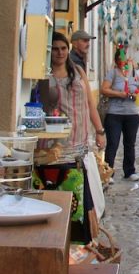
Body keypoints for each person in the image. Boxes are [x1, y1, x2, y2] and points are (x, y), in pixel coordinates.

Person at [33, 31, 106, 243]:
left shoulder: (78, 72)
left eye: (63, 48)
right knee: (66, 200)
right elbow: (44, 109)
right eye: (55, 49)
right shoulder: (44, 76)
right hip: (57, 149)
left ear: (68, 49)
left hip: (81, 146)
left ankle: (83, 243)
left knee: (87, 202)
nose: (60, 53)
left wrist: (99, 131)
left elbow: (90, 105)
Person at [101, 46, 139, 182]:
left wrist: (136, 95)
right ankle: (109, 172)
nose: (125, 61)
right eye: (122, 58)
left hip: (132, 114)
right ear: (117, 60)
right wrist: (120, 94)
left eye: (127, 58)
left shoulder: (134, 75)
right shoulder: (112, 73)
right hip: (114, 114)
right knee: (113, 143)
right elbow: (104, 89)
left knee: (130, 143)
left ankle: (129, 171)